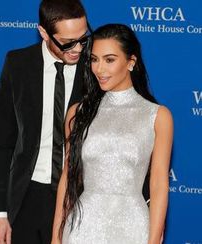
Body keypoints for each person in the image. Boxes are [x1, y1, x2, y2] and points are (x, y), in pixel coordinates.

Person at [51, 24, 173, 244]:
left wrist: (154, 240)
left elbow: (158, 184)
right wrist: (56, 237)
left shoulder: (157, 116)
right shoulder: (78, 113)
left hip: (132, 227)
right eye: (94, 59)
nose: (99, 69)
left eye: (109, 60)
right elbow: (68, 180)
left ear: (131, 62)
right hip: (82, 228)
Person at [0, 0, 90, 243]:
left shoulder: (96, 67)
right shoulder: (18, 64)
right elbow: (2, 144)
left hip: (80, 199)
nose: (78, 48)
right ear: (43, 32)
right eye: (67, 43)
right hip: (27, 197)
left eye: (83, 38)